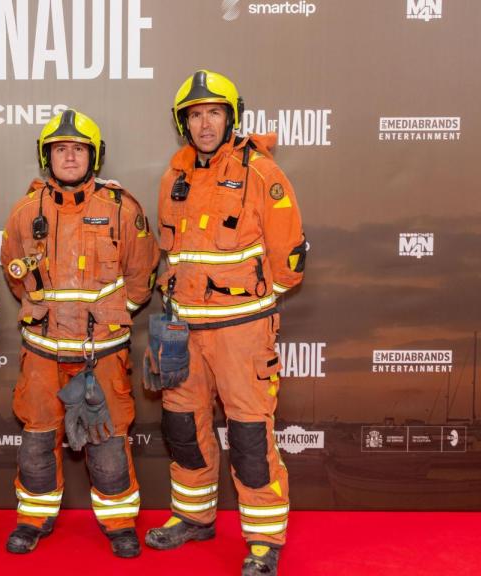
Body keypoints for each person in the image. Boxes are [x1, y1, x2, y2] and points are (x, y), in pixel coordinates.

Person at [143, 70, 308, 576]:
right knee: (183, 429)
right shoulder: (174, 176)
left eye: (214, 112)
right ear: (183, 123)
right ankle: (194, 518)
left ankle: (263, 541)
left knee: (251, 437)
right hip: (183, 333)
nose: (205, 123)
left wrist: (252, 305)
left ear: (231, 117)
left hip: (241, 332)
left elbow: (288, 259)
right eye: (195, 115)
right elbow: (170, 256)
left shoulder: (261, 172)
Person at [0, 109, 157, 558]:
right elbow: (14, 271)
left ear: (94, 157)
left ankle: (119, 523)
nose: (70, 157)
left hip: (101, 354)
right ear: (46, 157)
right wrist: (42, 311)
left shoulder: (122, 208)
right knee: (36, 441)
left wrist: (112, 315)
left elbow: (141, 274)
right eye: (60, 149)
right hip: (43, 352)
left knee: (107, 444)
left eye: (79, 149)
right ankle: (33, 520)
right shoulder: (26, 210)